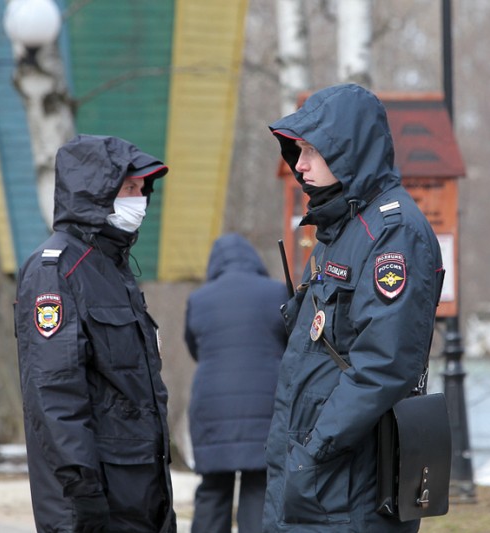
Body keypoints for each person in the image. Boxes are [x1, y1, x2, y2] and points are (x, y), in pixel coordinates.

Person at [262, 83, 444, 532]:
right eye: (297, 150)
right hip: (318, 472)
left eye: (310, 150)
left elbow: (385, 364)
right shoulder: (340, 227)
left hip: (349, 481)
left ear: (348, 150)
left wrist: (313, 448)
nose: (299, 164)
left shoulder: (393, 233)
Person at [14, 134, 176, 533]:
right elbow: (54, 392)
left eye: (141, 189)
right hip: (95, 494)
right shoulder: (55, 269)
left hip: (140, 486)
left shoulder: (111, 266)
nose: (138, 199)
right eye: (128, 188)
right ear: (95, 190)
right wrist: (82, 489)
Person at [184, 233, 288, 533]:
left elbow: (194, 347)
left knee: (214, 487)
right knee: (259, 485)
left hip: (211, 407)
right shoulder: (276, 292)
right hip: (265, 405)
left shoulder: (199, 298)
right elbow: (290, 343)